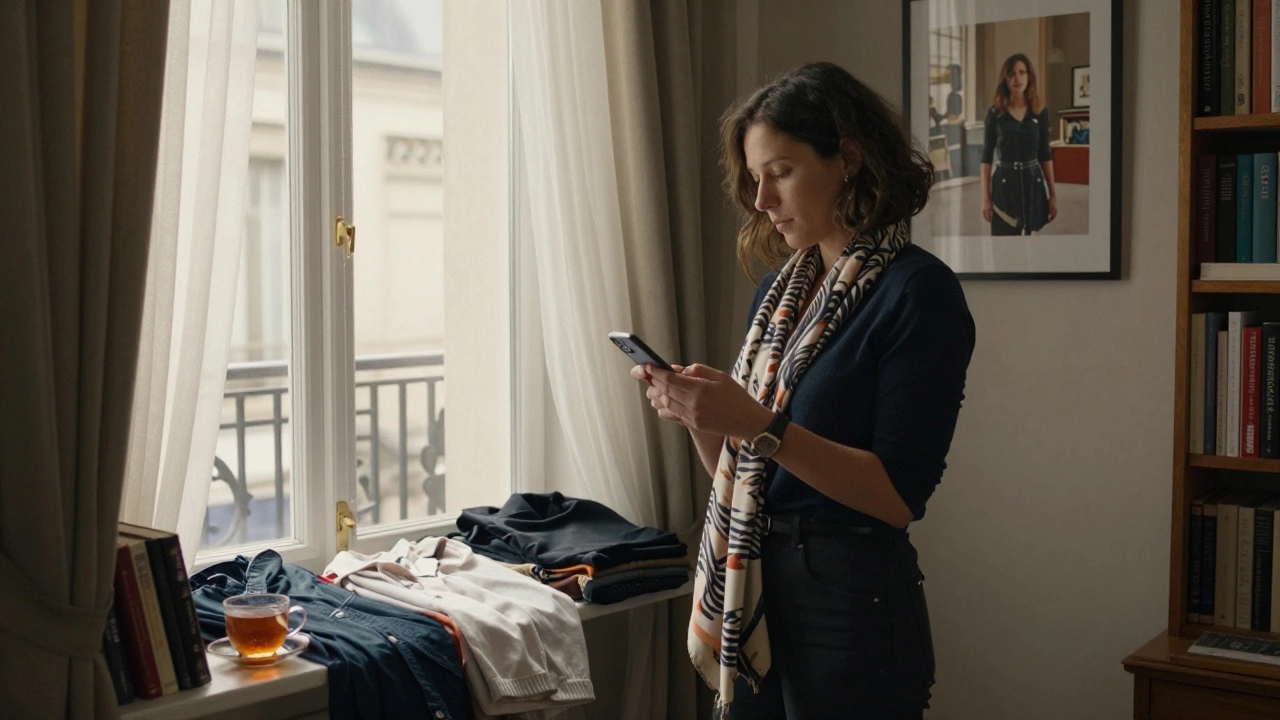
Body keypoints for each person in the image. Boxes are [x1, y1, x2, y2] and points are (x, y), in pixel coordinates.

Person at [629, 62, 975, 719]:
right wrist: (702, 413)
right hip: (755, 582)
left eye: (780, 172)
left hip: (850, 604)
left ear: (847, 158)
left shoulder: (917, 292)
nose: (761, 200)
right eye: (754, 178)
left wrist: (757, 422)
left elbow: (898, 497)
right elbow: (747, 471)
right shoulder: (780, 293)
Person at [980, 53, 1058, 235]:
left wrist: (1053, 195)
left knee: (1033, 250)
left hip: (1034, 183)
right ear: (1005, 79)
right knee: (1004, 246)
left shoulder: (1040, 113)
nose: (1018, 78)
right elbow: (986, 157)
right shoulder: (995, 114)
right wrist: (985, 197)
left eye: (1022, 72)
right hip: (1004, 185)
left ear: (1029, 76)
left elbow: (1045, 155)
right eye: (1012, 74)